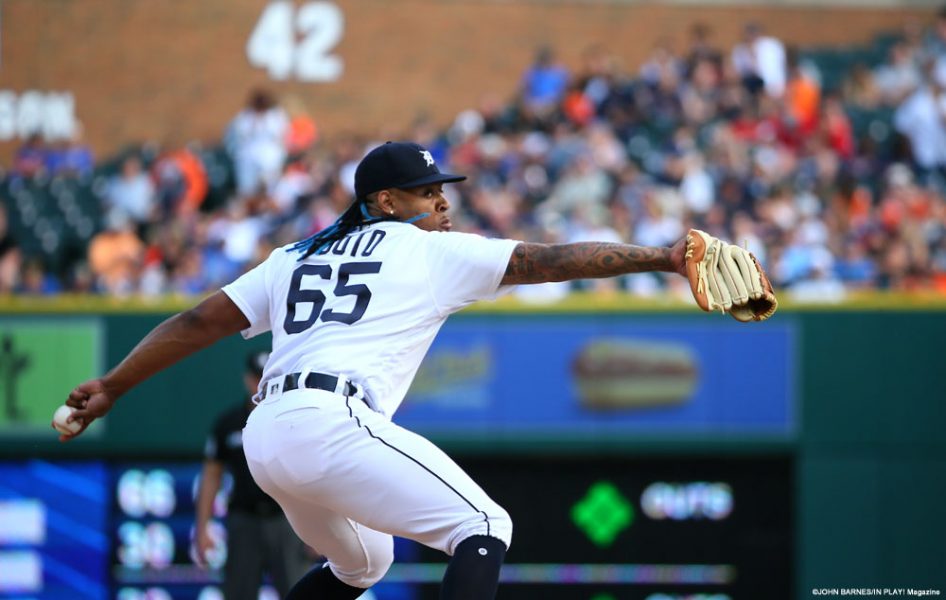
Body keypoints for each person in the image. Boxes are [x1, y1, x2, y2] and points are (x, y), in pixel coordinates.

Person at [57, 141, 692, 599]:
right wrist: (664, 258)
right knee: (484, 524)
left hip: (267, 437)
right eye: (427, 191)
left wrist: (113, 385)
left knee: (364, 563)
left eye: (442, 190)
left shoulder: (295, 255)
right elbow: (550, 260)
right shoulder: (428, 251)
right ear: (386, 201)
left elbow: (198, 322)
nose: (442, 202)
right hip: (329, 421)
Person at [194, 350, 311, 599]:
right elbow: (211, 475)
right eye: (257, 378)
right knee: (239, 593)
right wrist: (202, 527)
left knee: (298, 591)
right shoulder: (229, 423)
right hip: (244, 519)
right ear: (247, 379)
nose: (261, 385)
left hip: (287, 519)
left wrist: (317, 529)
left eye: (266, 378)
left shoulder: (292, 419)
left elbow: (310, 472)